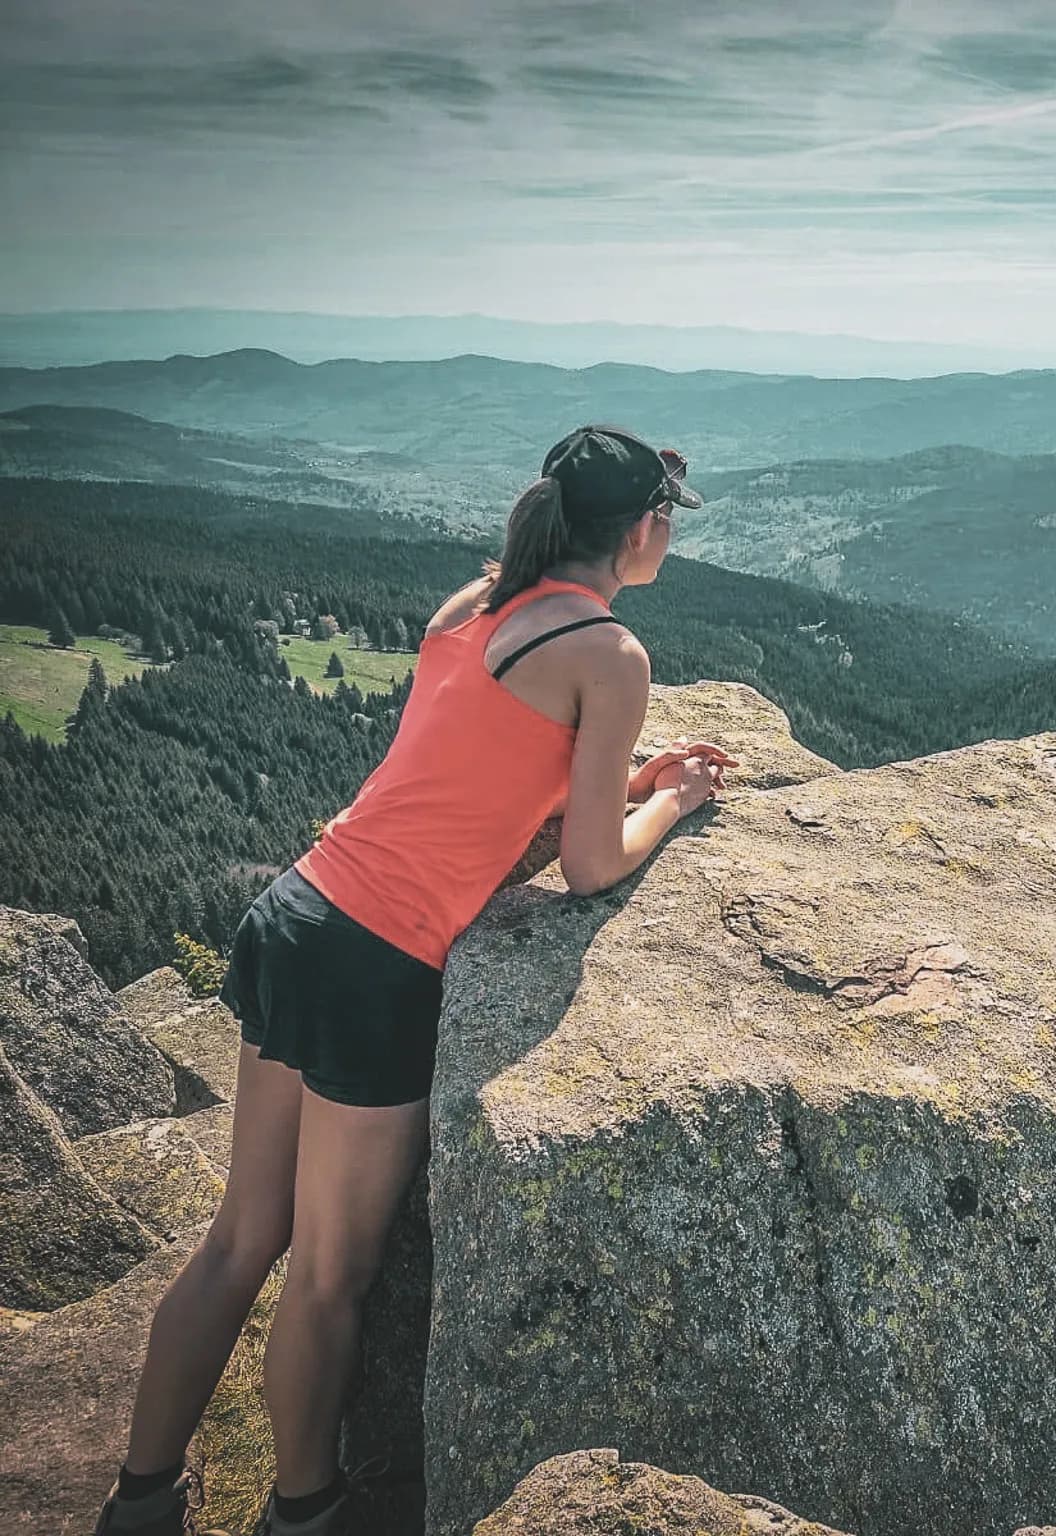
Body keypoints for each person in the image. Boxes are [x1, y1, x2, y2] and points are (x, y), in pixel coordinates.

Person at [94, 425, 736, 1536]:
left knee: (243, 1237)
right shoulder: (609, 655)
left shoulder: (473, 600)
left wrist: (623, 775)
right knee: (329, 1276)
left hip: (297, 908)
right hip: (376, 959)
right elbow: (589, 867)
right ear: (642, 529)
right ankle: (307, 1511)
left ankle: (140, 1499)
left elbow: (470, 775)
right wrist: (669, 802)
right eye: (667, 519)